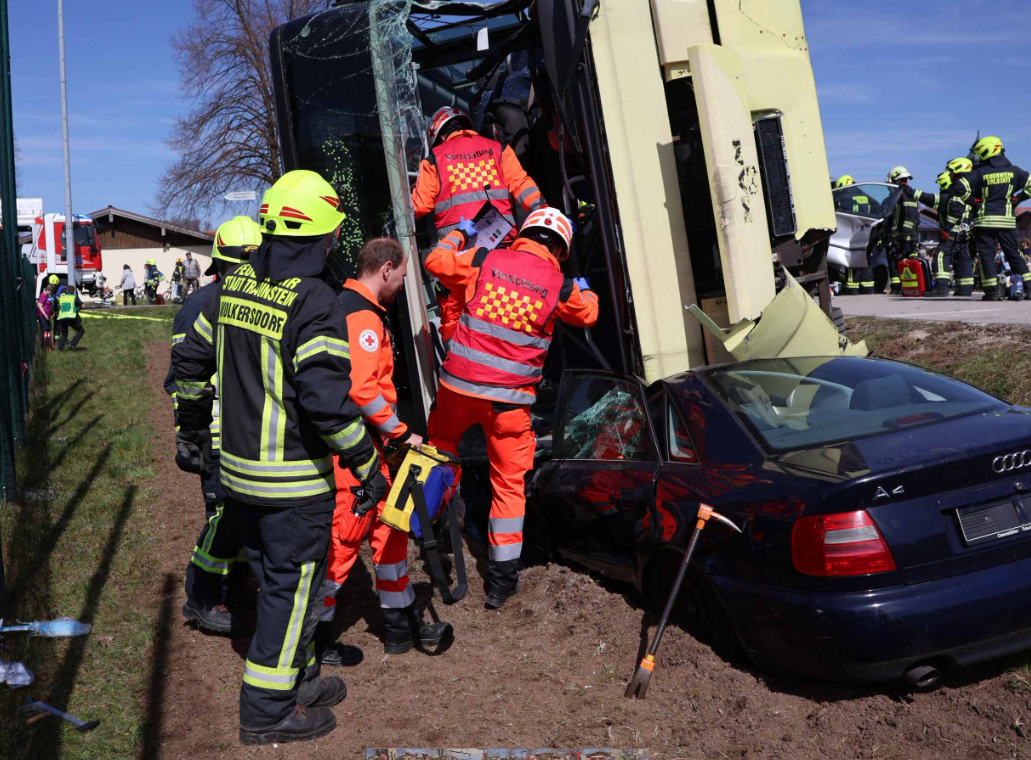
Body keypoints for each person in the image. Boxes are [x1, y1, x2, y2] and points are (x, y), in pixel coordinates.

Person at [172, 170, 384, 745]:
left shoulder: (234, 283)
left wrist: (190, 430)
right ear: (324, 236)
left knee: (276, 584)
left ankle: (301, 680)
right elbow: (327, 404)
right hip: (292, 486)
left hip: (238, 477)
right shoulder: (316, 300)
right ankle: (267, 710)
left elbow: (189, 361)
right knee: (294, 592)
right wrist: (367, 465)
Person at [424, 207, 599, 609]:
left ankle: (435, 520)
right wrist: (585, 288)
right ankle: (501, 582)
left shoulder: (484, 258)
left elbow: (435, 262)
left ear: (523, 233)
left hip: (457, 389)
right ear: (559, 249)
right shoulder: (560, 285)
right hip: (508, 403)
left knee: (440, 449)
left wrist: (460, 233)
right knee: (508, 485)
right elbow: (589, 314)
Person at [316, 237, 452, 665]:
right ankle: (314, 643)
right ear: (387, 269)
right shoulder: (362, 316)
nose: (401, 285)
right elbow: (361, 389)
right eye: (402, 277)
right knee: (344, 545)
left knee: (389, 535)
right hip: (357, 452)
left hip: (372, 450)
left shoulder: (356, 309)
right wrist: (400, 432)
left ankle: (401, 627)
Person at [166, 216, 263, 634]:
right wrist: (188, 435)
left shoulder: (260, 301)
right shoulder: (197, 307)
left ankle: (232, 588)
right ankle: (202, 597)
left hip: (249, 433)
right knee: (225, 516)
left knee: (244, 516)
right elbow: (181, 378)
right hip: (215, 434)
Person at [954, 136, 1031, 301]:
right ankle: (1029, 288)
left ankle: (992, 293)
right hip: (1006, 222)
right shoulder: (1014, 171)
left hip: (985, 222)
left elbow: (959, 187)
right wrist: (1018, 198)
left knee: (987, 256)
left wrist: (973, 201)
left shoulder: (979, 173)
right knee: (1014, 254)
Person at [832, 175, 875, 295]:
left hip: (851, 234)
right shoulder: (867, 197)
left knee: (851, 260)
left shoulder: (842, 196)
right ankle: (868, 288)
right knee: (865, 260)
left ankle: (852, 288)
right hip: (866, 234)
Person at [884, 166, 920, 294]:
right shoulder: (891, 199)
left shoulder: (907, 195)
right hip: (895, 237)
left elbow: (911, 216)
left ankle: (909, 288)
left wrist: (904, 234)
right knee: (894, 262)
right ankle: (896, 288)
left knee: (906, 262)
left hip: (906, 238)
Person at [55, 282, 85, 352]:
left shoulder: (61, 297)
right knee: (81, 330)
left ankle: (59, 349)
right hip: (71, 317)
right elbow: (83, 306)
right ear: (74, 291)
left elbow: (58, 306)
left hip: (62, 317)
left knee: (64, 334)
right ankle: (72, 344)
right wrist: (78, 307)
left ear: (66, 291)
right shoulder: (74, 297)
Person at [36, 275, 58, 348]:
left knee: (49, 327)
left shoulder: (47, 296)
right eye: (51, 292)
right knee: (44, 328)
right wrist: (45, 314)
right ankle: (43, 344)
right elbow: (39, 305)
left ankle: (48, 344)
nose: (51, 294)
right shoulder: (43, 295)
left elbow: (48, 305)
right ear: (48, 290)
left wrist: (51, 312)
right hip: (42, 315)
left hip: (46, 315)